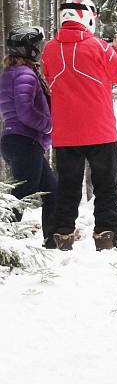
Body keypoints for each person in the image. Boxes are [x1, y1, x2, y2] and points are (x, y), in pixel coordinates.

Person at [41, 0, 117, 251]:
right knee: (106, 187)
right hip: (100, 131)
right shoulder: (99, 47)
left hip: (65, 134)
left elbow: (51, 81)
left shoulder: (49, 49)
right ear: (87, 17)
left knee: (67, 187)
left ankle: (61, 236)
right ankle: (106, 236)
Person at [0, 26, 57, 247]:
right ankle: (6, 244)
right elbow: (25, 112)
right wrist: (49, 125)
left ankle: (52, 240)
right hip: (25, 141)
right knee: (22, 194)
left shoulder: (12, 72)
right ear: (26, 49)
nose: (37, 50)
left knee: (52, 190)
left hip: (18, 141)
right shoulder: (25, 74)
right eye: (35, 46)